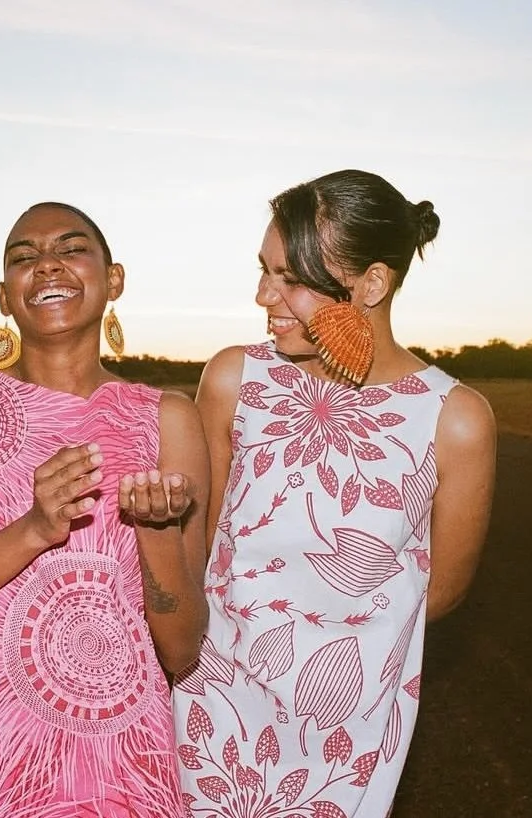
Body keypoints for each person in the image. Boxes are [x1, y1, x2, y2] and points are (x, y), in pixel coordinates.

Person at [172, 169, 496, 817]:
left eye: (291, 278)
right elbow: (199, 545)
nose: (263, 295)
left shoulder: (454, 419)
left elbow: (441, 592)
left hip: (347, 730)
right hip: (211, 704)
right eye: (264, 270)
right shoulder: (234, 379)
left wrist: (338, 647)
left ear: (372, 284)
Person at [0, 202, 211, 817]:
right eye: (24, 257)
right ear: (4, 297)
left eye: (71, 248)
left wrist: (158, 532)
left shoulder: (167, 418)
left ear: (114, 280)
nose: (47, 265)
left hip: (123, 769)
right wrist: (34, 530)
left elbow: (181, 648)